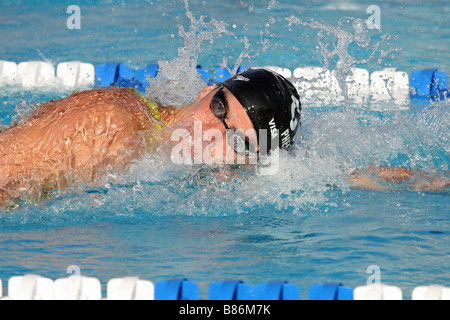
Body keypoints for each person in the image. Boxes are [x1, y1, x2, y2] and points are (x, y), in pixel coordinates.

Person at [0, 68, 447, 209]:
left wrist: (423, 180)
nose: (210, 133)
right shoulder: (111, 129)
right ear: (206, 91)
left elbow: (316, 173)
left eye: (238, 142)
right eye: (219, 110)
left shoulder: (168, 136)